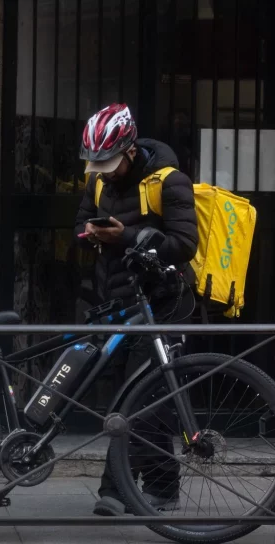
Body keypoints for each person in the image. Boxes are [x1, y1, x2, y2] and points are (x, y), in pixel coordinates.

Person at [73, 103, 198, 517]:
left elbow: (184, 245)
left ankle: (116, 491)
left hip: (164, 302)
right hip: (118, 304)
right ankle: (163, 487)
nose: (102, 171)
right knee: (143, 398)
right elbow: (79, 224)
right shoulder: (96, 182)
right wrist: (88, 235)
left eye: (108, 163)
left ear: (129, 151)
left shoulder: (170, 182)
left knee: (139, 400)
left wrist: (125, 235)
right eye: (95, 163)